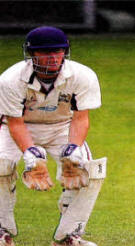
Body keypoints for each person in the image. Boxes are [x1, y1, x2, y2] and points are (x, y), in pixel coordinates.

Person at [0, 26, 106, 246]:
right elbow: (15, 123)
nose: (54, 57)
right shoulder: (10, 79)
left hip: (62, 127)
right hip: (20, 128)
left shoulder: (82, 75)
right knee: (1, 166)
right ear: (32, 54)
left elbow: (80, 118)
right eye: (46, 52)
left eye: (58, 51)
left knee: (88, 169)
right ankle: (2, 231)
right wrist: (31, 153)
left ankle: (69, 236)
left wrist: (73, 148)